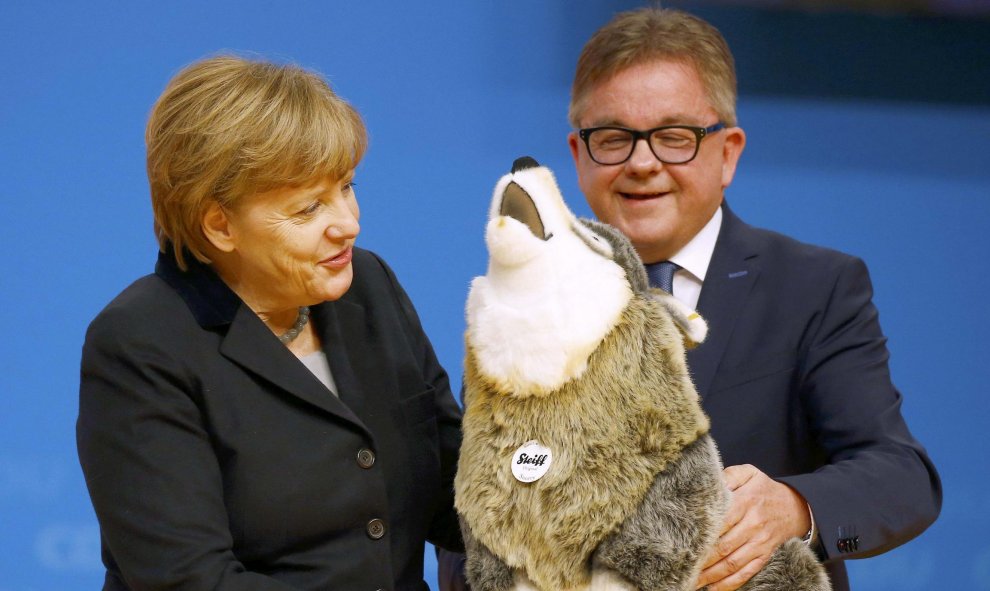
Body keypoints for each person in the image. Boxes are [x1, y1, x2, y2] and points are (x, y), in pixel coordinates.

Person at [564, 7, 941, 591]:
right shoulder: (528, 306)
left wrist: (793, 507)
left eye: (673, 137)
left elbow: (902, 478)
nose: (642, 163)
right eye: (613, 139)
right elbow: (484, 504)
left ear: (729, 152)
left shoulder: (814, 287)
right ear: (578, 155)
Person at [77, 55, 463, 590]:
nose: (349, 224)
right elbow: (190, 581)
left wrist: (548, 448)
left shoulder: (369, 286)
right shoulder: (142, 344)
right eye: (308, 209)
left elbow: (460, 487)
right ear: (220, 225)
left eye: (346, 187)